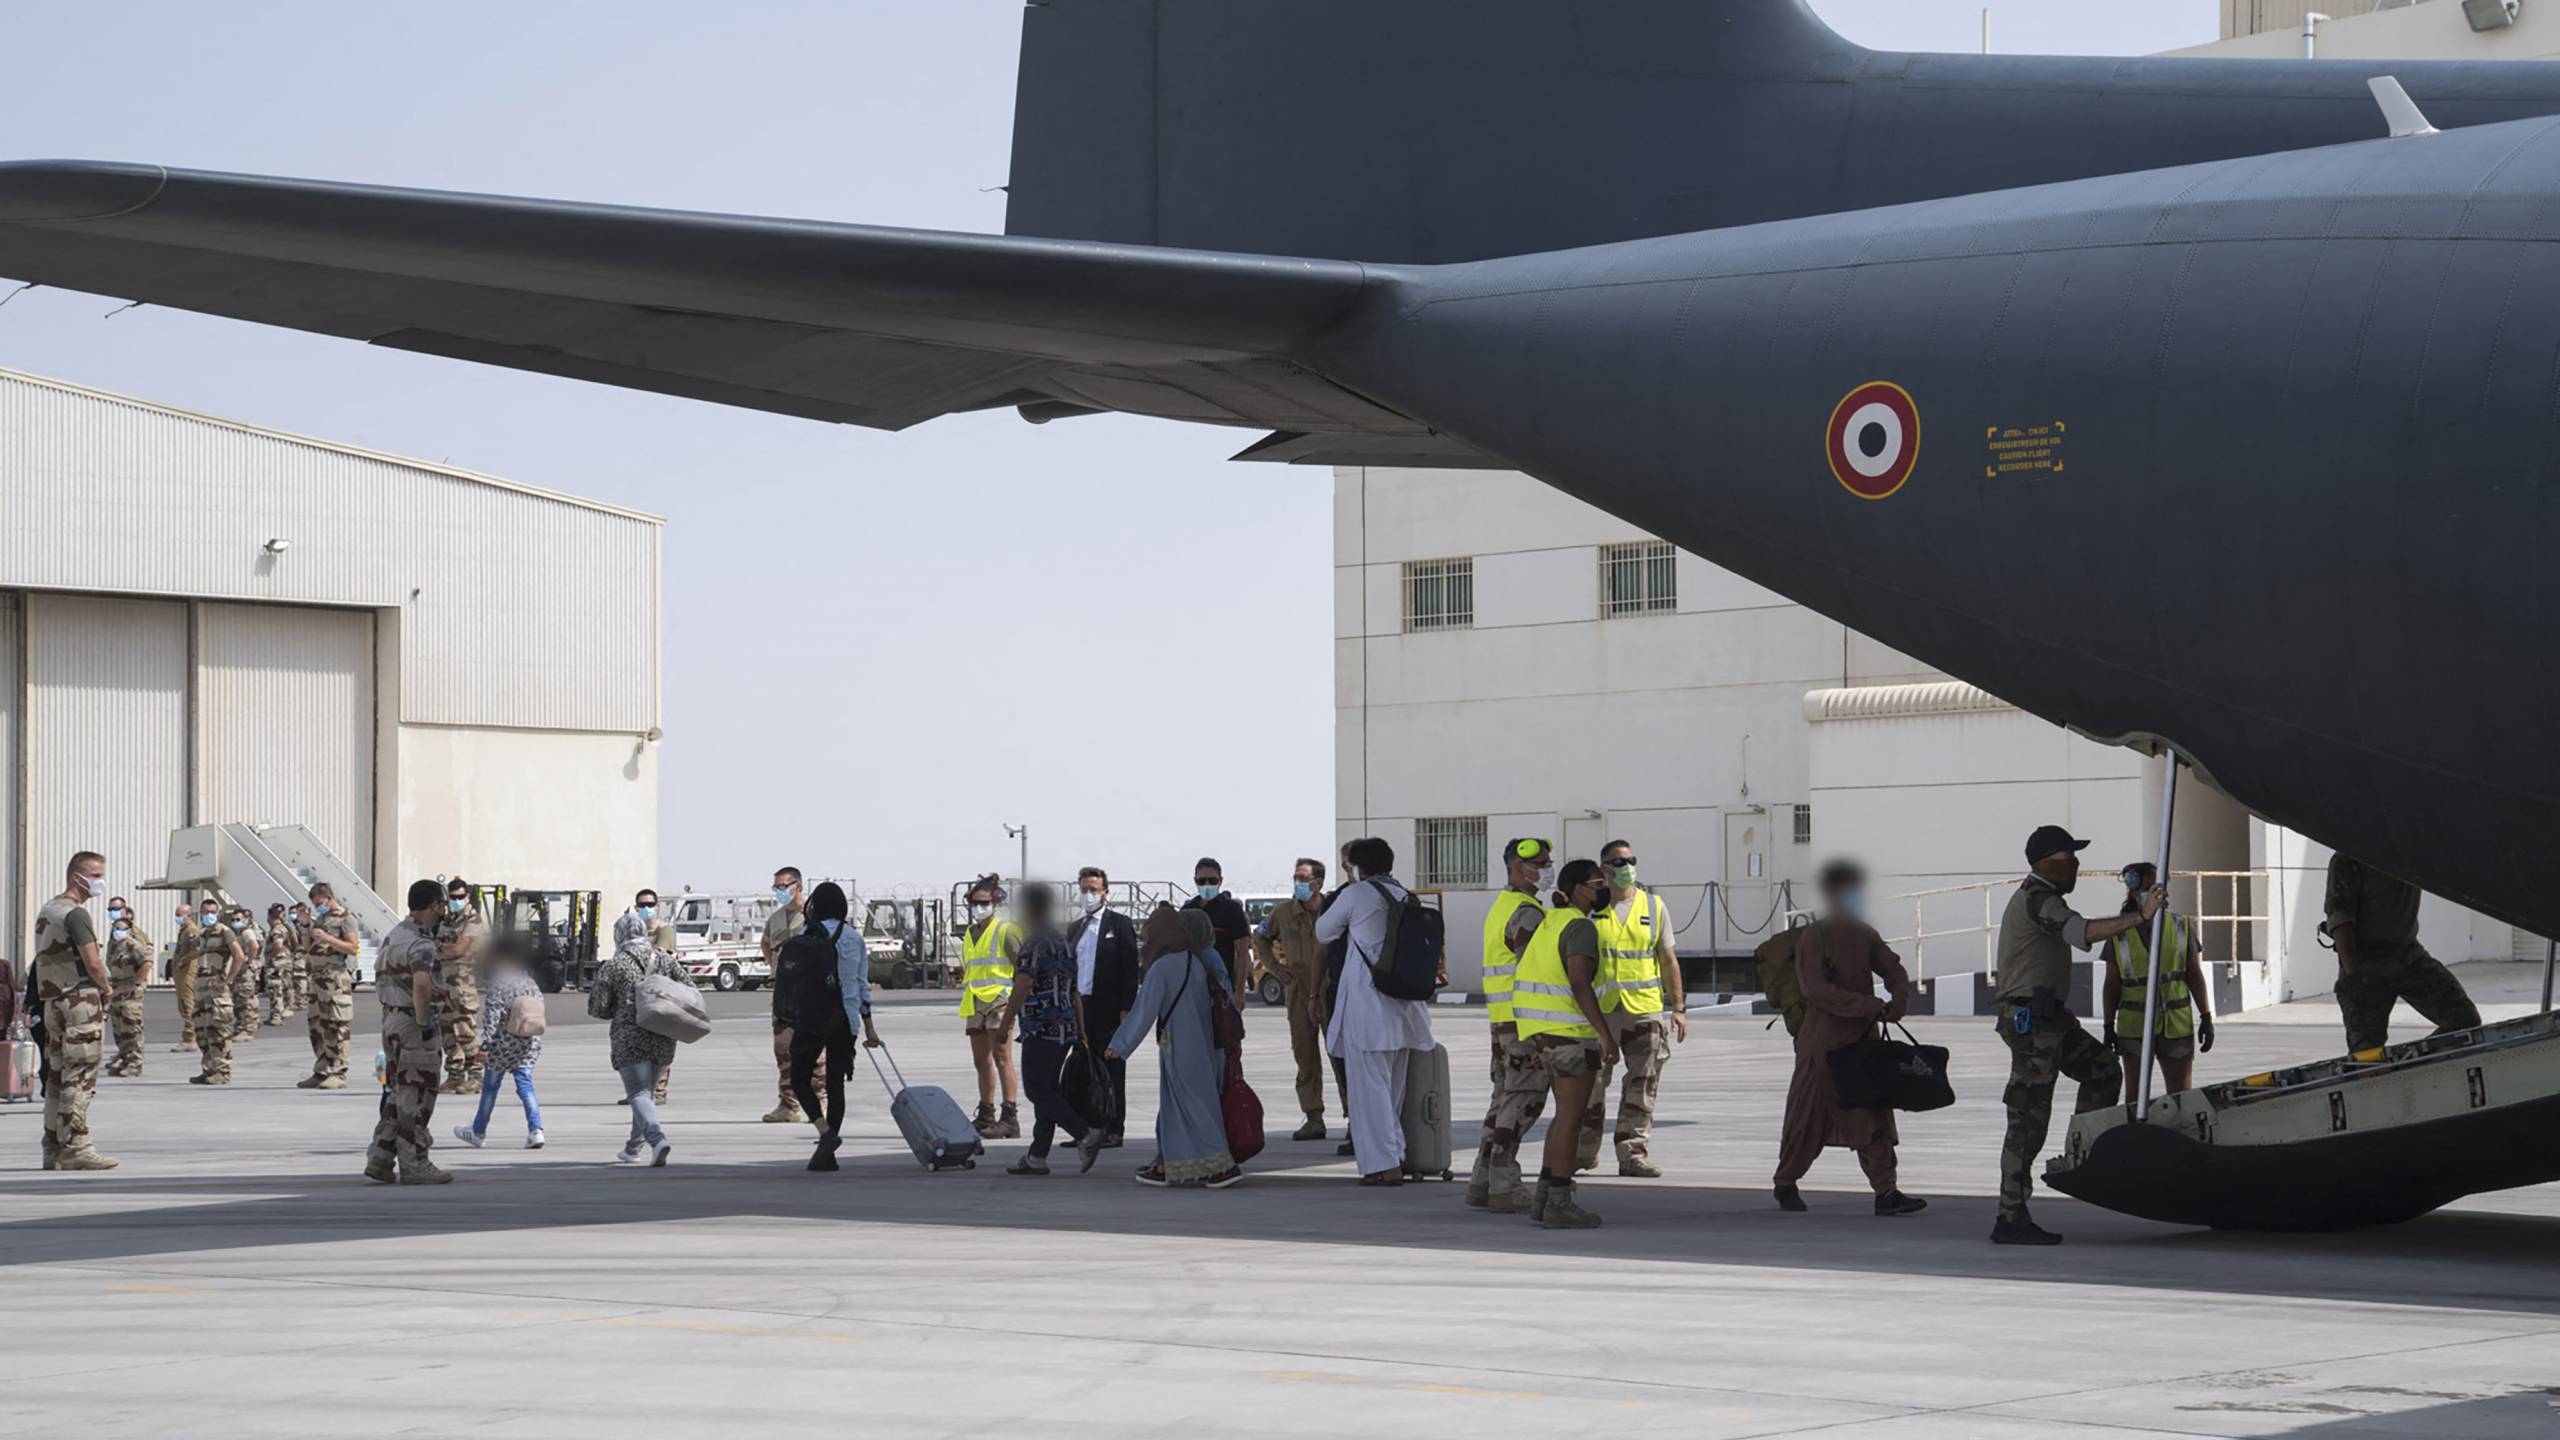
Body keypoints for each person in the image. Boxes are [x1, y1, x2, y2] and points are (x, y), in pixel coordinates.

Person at [1991, 824, 2158, 1246]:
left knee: (2102, 1069)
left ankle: (2081, 1157)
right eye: (2071, 858)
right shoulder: (2039, 900)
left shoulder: (2043, 897)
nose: (2078, 866)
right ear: (2048, 862)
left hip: (2052, 1022)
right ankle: (2010, 1216)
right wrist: (2139, 917)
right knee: (2028, 1118)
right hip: (2033, 1026)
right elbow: (2082, 932)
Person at [1773, 860, 1927, 1216]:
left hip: (1860, 1046)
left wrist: (1898, 1002)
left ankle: (1886, 1192)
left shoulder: (1864, 933)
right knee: (1805, 1121)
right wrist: (1870, 1004)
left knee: (1871, 1119)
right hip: (1821, 1050)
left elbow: (1894, 969)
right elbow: (1816, 991)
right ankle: (1785, 1182)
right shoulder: (1815, 937)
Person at [1315, 836, 1437, 1186]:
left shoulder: (1357, 894)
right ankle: (1394, 1154)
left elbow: (1324, 931)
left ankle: (1383, 1166)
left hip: (1369, 1009)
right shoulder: (1404, 895)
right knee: (1392, 1091)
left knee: (1369, 1094)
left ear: (1357, 866)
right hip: (1404, 1008)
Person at [1510, 859, 1617, 1227]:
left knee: (1562, 1118)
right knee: (1572, 1119)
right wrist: (1604, 1033)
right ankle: (1559, 1200)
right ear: (1577, 889)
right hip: (1570, 1033)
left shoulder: (1550, 921)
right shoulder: (1580, 927)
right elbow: (1579, 982)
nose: (1604, 887)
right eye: (1598, 882)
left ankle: (1544, 1196)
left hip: (1543, 1031)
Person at [1106, 907, 1244, 1188]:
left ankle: (1222, 1166)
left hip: (1179, 1045)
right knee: (1180, 1107)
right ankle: (1169, 1165)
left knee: (1194, 1105)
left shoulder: (1164, 966)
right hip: (1203, 1044)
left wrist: (1119, 1046)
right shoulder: (1198, 960)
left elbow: (1144, 1011)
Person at [1577, 839, 1687, 1179]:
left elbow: (1668, 960)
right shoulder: (1590, 909)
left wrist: (1679, 1007)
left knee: (1643, 1084)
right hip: (1601, 1013)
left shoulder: (1653, 906)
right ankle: (1583, 1152)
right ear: (1604, 868)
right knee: (1591, 1085)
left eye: (1631, 860)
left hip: (1643, 1011)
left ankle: (1632, 1153)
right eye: (1619, 862)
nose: (1627, 867)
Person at [1467, 838, 1552, 1213]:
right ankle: (1505, 1184)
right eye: (1542, 863)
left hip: (1503, 1022)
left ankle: (1482, 1181)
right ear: (1521, 869)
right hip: (1523, 1024)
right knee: (1523, 1102)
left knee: (1502, 1100)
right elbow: (1537, 971)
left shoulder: (1502, 906)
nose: (1548, 869)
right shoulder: (1526, 913)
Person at [2325, 854, 2482, 1053]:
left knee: (2463, 1019)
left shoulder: (2409, 851)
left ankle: (2413, 1064)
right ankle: (2388, 1074)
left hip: (2407, 954)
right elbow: (2340, 920)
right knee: (2367, 1054)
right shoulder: (2350, 859)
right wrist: (2352, 973)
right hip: (2365, 963)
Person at [1002, 883, 1106, 1176]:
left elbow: (1022, 985)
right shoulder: (1063, 944)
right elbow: (1074, 993)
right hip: (1065, 1028)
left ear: (1031, 908)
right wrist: (1081, 1031)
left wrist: (1005, 1023)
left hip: (1041, 1028)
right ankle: (1037, 1156)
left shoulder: (1034, 943)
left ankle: (1085, 1133)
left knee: (1038, 1090)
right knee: (1048, 1091)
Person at [32, 852, 118, 1171]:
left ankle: (52, 1147)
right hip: (79, 999)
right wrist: (106, 987)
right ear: (76, 877)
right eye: (95, 875)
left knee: (56, 1074)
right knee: (79, 1074)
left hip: (53, 1000)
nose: (100, 881)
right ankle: (77, 1146)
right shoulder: (76, 915)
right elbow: (93, 962)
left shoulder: (48, 910)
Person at [789, 882, 882, 1172]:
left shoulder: (807, 934)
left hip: (813, 1016)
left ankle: (825, 1133)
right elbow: (861, 985)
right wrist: (869, 1028)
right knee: (836, 1084)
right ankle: (827, 1154)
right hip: (845, 1018)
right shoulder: (854, 938)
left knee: (800, 1079)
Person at [364, 881, 452, 1185]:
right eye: (442, 905)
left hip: (391, 1021)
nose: (445, 911)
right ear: (434, 906)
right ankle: (415, 1163)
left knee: (397, 1091)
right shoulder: (421, 943)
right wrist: (424, 1020)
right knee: (417, 1094)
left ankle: (381, 1155)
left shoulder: (394, 936)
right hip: (413, 1026)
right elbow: (422, 985)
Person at [2101, 862, 2215, 1095]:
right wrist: (2108, 1026)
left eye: (2161, 888)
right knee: (2135, 1097)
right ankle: (2136, 1133)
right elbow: (2112, 984)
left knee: (2180, 1096)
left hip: (2176, 1025)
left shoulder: (2181, 926)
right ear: (2133, 890)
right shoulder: (2118, 931)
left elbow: (2194, 974)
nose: (2159, 893)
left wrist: (2206, 1016)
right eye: (2151, 888)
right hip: (2134, 1029)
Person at [1251, 857, 1339, 1140]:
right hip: (1298, 989)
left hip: (1331, 989)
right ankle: (1313, 1117)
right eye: (1296, 878)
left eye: (1304, 878)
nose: (1299, 883)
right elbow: (1260, 938)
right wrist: (1275, 968)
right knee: (1305, 1054)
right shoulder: (1283, 913)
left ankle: (1354, 1117)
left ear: (1319, 882)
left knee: (1341, 1055)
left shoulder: (1334, 909)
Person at [589, 910, 686, 1165]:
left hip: (630, 1036)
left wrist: (620, 1008)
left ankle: (657, 1139)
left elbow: (597, 1006)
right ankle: (633, 1149)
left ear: (618, 935)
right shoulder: (665, 960)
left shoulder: (615, 964)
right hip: (664, 1034)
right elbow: (689, 988)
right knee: (647, 1094)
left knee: (638, 1093)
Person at [1066, 866, 1139, 1148]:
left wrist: (1126, 1008)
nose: (1088, 895)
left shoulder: (1118, 925)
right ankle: (1086, 1129)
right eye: (1084, 889)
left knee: (1111, 1070)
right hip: (1080, 1009)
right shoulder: (1075, 928)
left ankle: (1113, 1128)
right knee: (1083, 1069)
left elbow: (1131, 968)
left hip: (1108, 1009)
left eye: (1093, 889)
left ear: (1105, 893)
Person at [453, 935, 547, 1150]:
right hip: (527, 1044)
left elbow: (492, 1018)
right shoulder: (529, 981)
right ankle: (536, 1130)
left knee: (490, 1089)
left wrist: (484, 1046)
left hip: (502, 1045)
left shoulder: (499, 982)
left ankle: (478, 1132)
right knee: (526, 1086)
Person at [957, 873, 1023, 1139]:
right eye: (975, 902)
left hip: (999, 1000)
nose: (979, 907)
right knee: (981, 1061)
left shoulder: (1006, 931)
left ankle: (1010, 1117)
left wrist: (1015, 1006)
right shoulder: (970, 934)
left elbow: (1021, 969)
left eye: (984, 902)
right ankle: (986, 1113)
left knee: (1002, 1058)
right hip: (975, 999)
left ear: (995, 903)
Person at [297, 883, 362, 1089]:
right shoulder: (322, 919)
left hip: (335, 980)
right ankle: (322, 1069)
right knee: (317, 1027)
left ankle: (339, 1072)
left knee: (336, 1026)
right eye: (315, 905)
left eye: (319, 903)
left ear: (329, 898)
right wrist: (306, 927)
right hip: (317, 982)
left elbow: (353, 948)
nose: (317, 907)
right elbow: (308, 948)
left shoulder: (346, 918)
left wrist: (328, 938)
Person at [759, 869, 811, 1124]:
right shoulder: (777, 917)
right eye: (775, 887)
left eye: (782, 886)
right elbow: (766, 942)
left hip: (809, 992)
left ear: (797, 886)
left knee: (814, 1050)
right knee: (783, 1049)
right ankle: (788, 1105)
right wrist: (774, 967)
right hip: (784, 992)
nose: (778, 891)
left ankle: (818, 1102)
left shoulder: (813, 914)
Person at [434, 878, 487, 1096]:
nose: (456, 901)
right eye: (452, 897)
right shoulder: (446, 920)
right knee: (446, 1030)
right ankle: (455, 1075)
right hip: (443, 982)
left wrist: (437, 950)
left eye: (459, 897)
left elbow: (458, 949)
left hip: (462, 983)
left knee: (465, 1030)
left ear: (467, 897)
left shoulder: (472, 920)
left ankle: (476, 1075)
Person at [189, 900, 245, 1086]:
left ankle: (222, 1071)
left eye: (212, 911)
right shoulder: (203, 933)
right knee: (202, 1032)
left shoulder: (224, 932)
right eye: (206, 911)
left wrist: (227, 979)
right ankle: (209, 1069)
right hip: (201, 989)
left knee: (218, 1032)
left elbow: (239, 956)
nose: (209, 914)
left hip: (216, 991)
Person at [1183, 857, 1251, 997]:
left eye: (1212, 881)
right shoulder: (1187, 910)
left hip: (1222, 988)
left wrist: (1239, 992)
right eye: (1202, 881)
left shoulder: (1232, 909)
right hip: (1191, 989)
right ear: (1195, 881)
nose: (1207, 885)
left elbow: (1242, 953)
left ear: (1220, 880)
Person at [102, 897, 152, 1078]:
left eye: (122, 929)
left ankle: (135, 1063)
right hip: (117, 990)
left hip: (130, 992)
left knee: (132, 1027)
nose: (118, 931)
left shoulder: (134, 942)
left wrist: (136, 983)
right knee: (119, 1028)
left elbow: (147, 962)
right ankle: (123, 1058)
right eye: (117, 928)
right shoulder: (114, 943)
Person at [167, 901, 201, 1052]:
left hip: (187, 972)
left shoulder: (191, 931)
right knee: (183, 1004)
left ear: (188, 915)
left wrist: (183, 960)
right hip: (180, 972)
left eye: (179, 915)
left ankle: (190, 1038)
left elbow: (197, 949)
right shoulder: (184, 930)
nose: (177, 918)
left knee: (188, 1004)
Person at [226, 906, 263, 1042]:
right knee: (239, 999)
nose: (235, 921)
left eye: (238, 919)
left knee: (246, 999)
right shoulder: (238, 932)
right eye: (233, 919)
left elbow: (254, 946)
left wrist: (249, 960)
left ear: (245, 920)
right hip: (240, 969)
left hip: (246, 970)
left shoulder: (247, 932)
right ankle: (240, 1027)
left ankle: (247, 1029)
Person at [262, 903, 297, 1025]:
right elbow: (294, 942)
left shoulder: (276, 930)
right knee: (284, 987)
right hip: (285, 961)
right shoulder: (285, 928)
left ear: (270, 917)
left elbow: (278, 945)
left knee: (275, 990)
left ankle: (276, 1016)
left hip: (276, 964)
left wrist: (272, 957)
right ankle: (282, 1011)